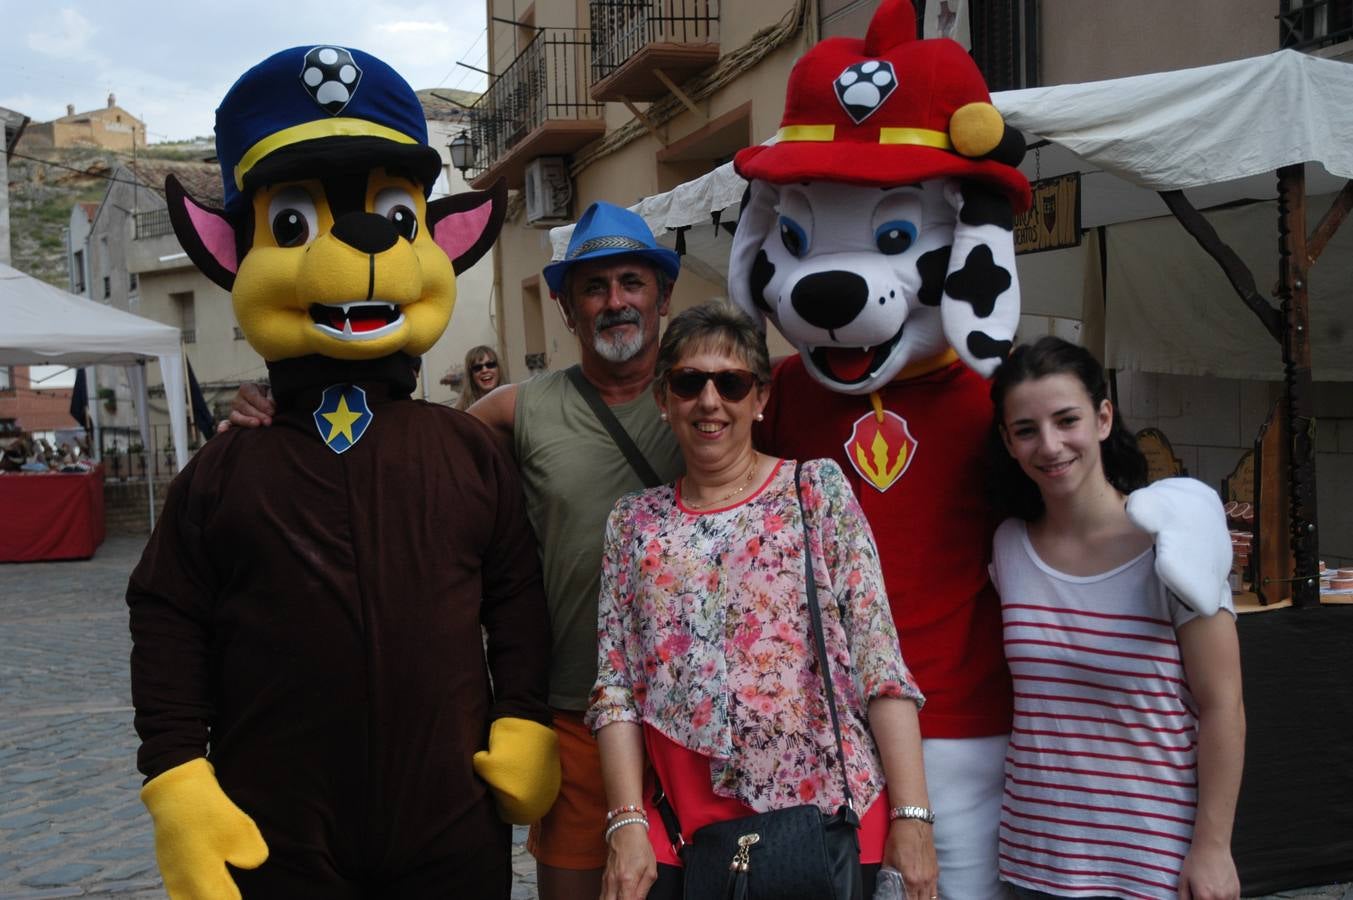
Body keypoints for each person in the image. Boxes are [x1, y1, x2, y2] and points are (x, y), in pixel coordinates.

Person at [222, 199, 684, 899]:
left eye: (631, 283)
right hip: (575, 707)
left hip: (696, 703)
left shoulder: (715, 394)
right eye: (593, 287)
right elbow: (399, 444)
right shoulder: (514, 411)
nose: (613, 302)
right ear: (565, 308)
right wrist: (280, 414)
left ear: (662, 296)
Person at [590, 303, 938, 900]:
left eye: (731, 383)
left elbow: (879, 664)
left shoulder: (816, 490)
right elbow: (615, 687)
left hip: (827, 817)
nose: (709, 401)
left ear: (760, 398)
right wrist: (625, 822)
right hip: (680, 829)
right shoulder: (634, 522)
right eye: (688, 382)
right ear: (663, 399)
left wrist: (913, 818)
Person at [986, 336, 1245, 900]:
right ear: (1008, 441)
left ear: (1103, 418)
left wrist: (1213, 847)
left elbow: (1223, 706)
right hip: (1034, 862)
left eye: (1067, 420)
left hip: (1153, 864)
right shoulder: (1007, 548)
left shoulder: (1172, 544)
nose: (1050, 445)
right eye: (1027, 429)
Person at [456, 344, 504, 410]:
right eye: (477, 367)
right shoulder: (462, 410)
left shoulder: (513, 399)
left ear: (499, 369)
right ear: (471, 375)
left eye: (490, 365)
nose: (484, 370)